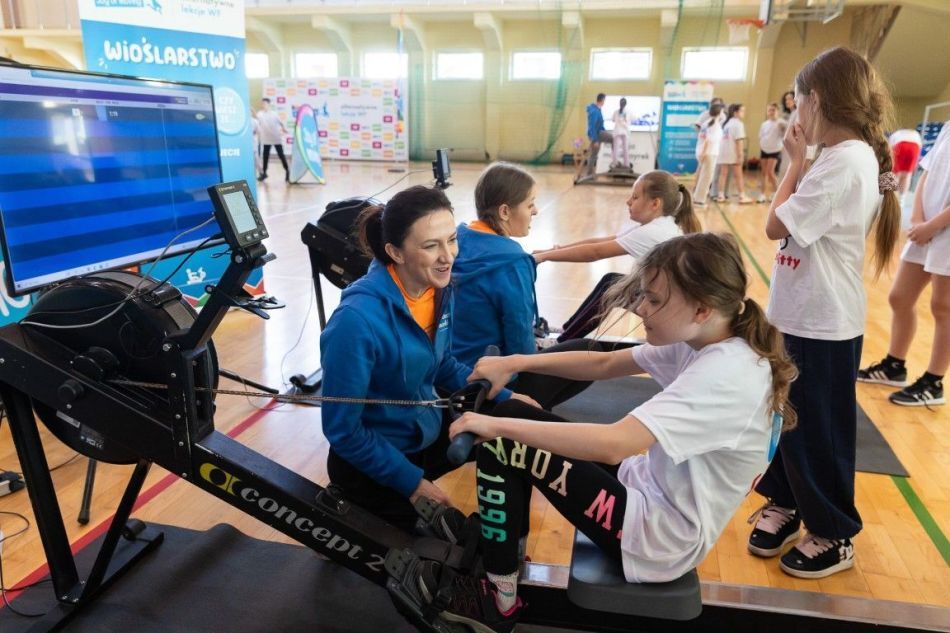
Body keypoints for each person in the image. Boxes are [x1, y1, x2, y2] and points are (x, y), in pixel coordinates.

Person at [415, 232, 797, 632]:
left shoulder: (725, 374)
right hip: (647, 492)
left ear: (701, 309)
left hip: (654, 537)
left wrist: (492, 425)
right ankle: (505, 557)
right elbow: (603, 364)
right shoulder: (707, 336)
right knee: (511, 415)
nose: (641, 308)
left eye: (654, 300)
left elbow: (615, 444)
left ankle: (498, 600)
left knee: (502, 441)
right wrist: (515, 362)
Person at [753, 47, 901, 579]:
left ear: (816, 101)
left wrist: (794, 163)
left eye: (798, 103)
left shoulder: (843, 163)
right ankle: (788, 500)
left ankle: (835, 532)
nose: (796, 115)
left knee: (819, 427)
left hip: (823, 323)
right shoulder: (841, 157)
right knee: (789, 415)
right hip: (801, 313)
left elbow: (775, 226)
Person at [319, 185, 536, 532]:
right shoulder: (355, 321)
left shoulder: (436, 289)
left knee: (519, 436)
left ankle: (512, 543)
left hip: (423, 435)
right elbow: (343, 430)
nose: (448, 256)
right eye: (431, 245)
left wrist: (509, 398)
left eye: (451, 240)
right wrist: (412, 483)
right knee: (446, 548)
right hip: (373, 465)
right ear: (396, 252)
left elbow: (443, 364)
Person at [452, 162, 602, 410]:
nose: (536, 211)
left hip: (451, 372)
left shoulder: (456, 240)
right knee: (590, 353)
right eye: (530, 204)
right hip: (492, 383)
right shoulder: (512, 262)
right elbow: (519, 338)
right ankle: (523, 411)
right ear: (504, 212)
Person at [533, 170, 702, 342]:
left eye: (635, 197)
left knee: (612, 291)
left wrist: (544, 257)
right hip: (668, 300)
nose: (628, 201)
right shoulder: (660, 224)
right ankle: (567, 331)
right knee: (611, 280)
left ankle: (562, 341)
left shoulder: (653, 232)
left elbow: (595, 252)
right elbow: (600, 242)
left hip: (670, 309)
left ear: (655, 203)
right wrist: (552, 251)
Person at [858, 121, 948, 406]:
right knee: (900, 297)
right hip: (925, 227)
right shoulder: (947, 128)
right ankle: (894, 366)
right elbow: (927, 173)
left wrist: (932, 225)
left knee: (943, 307)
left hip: (943, 230)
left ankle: (934, 382)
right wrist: (918, 218)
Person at [715, 104, 752, 204]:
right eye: (742, 111)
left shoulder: (726, 123)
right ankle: (742, 196)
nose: (744, 113)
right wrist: (740, 155)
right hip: (732, 152)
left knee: (723, 174)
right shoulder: (738, 124)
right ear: (735, 113)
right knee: (738, 175)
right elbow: (739, 141)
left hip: (723, 152)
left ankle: (720, 196)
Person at [693, 102, 725, 206]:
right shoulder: (714, 125)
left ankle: (697, 197)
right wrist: (704, 153)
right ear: (719, 113)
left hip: (704, 152)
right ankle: (700, 200)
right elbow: (708, 140)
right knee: (706, 178)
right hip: (708, 153)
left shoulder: (707, 123)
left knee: (703, 177)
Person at [758, 103, 787, 203]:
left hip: (775, 150)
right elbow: (761, 136)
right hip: (764, 150)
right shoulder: (764, 124)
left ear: (777, 111)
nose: (771, 112)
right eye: (769, 110)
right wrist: (762, 145)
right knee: (763, 173)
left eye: (773, 110)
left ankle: (776, 193)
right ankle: (762, 194)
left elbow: (785, 136)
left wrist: (782, 129)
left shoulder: (782, 122)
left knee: (770, 172)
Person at [579, 93, 611, 182]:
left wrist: (604, 131)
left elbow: (600, 125)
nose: (604, 102)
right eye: (604, 100)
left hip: (598, 134)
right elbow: (592, 126)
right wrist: (595, 140)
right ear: (602, 100)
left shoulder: (597, 110)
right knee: (613, 139)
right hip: (596, 135)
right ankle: (589, 174)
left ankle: (589, 174)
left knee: (593, 155)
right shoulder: (594, 111)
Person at [257, 97, 290, 182]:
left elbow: (281, 123)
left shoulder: (274, 114)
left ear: (269, 104)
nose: (263, 105)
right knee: (265, 157)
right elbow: (256, 122)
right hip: (266, 139)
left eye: (265, 103)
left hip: (276, 138)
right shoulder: (259, 114)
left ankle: (287, 171)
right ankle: (264, 173)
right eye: (262, 103)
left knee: (281, 155)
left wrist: (284, 129)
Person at [887, 128, 923, 194]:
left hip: (901, 145)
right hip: (915, 147)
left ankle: (891, 195)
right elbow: (920, 149)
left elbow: (889, 149)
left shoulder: (897, 133)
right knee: (907, 175)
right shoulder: (916, 134)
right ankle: (902, 197)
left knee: (896, 174)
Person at [777, 91, 798, 182]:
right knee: (784, 170)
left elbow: (794, 131)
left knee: (788, 171)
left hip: (792, 147)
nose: (787, 101)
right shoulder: (792, 114)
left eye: (790, 99)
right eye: (786, 99)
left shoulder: (797, 113)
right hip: (786, 147)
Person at [611, 98, 630, 169]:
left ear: (619, 103)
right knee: (625, 149)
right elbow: (629, 121)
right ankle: (626, 164)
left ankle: (615, 164)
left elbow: (613, 120)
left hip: (618, 132)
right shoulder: (627, 112)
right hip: (624, 132)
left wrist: (619, 120)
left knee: (616, 149)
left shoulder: (616, 112)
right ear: (625, 104)